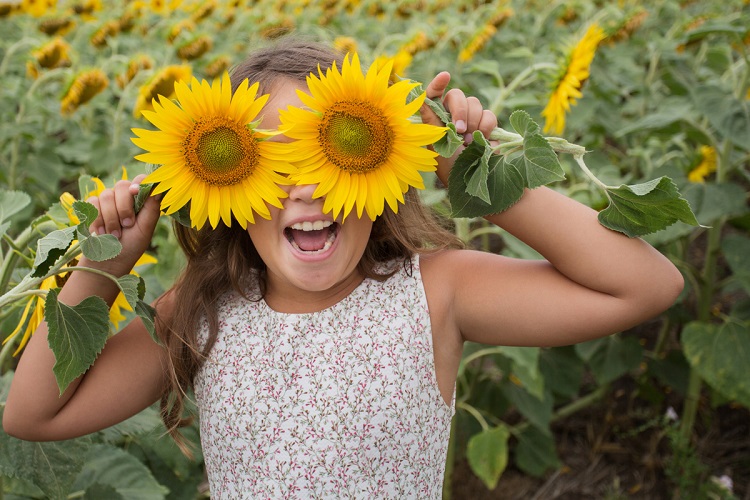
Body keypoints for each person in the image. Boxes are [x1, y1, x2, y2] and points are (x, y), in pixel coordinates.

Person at [3, 39, 683, 498]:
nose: (305, 189)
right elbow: (32, 413)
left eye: (333, 152)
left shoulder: (436, 292)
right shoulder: (202, 310)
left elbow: (648, 284)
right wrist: (100, 266)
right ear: (227, 186)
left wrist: (462, 162)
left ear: (380, 163)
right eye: (272, 163)